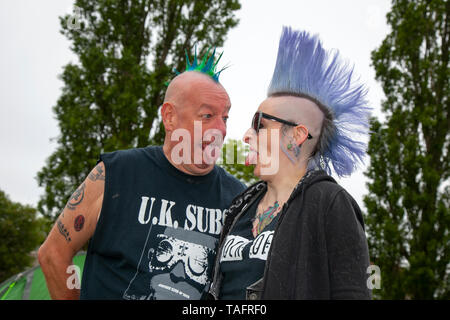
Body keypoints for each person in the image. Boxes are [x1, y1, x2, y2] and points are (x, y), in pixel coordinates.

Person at [38, 48, 246, 300]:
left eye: (225, 117)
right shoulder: (117, 174)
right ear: (169, 117)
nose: (221, 129)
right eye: (207, 116)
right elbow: (53, 254)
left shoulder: (238, 198)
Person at [207, 27, 372, 300]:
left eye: (259, 124)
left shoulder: (331, 204)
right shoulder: (239, 206)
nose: (247, 135)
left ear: (296, 136)